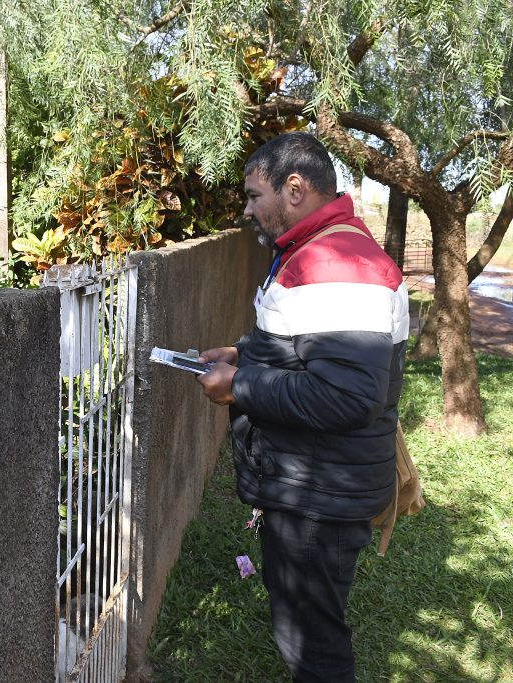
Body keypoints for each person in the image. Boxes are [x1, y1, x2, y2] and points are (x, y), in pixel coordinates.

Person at [196, 132, 409, 682]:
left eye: (253, 195)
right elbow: (306, 346)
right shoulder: (317, 251)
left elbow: (346, 395)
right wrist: (244, 354)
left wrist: (239, 386)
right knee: (305, 632)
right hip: (314, 485)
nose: (247, 210)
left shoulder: (338, 264)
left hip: (321, 498)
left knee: (313, 647)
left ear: (294, 188)